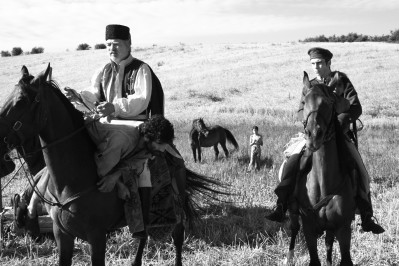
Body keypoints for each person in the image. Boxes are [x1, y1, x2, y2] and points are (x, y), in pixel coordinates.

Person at [21, 24, 179, 238]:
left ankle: (125, 205)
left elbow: (141, 100)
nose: (111, 49)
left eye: (116, 44)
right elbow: (94, 94)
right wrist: (79, 97)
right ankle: (36, 199)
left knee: (122, 148)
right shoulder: (103, 70)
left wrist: (114, 107)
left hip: (133, 125)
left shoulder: (141, 69)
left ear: (128, 44)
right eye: (108, 45)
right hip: (105, 123)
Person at [265, 47, 385, 234]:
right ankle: (281, 205)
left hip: (338, 136)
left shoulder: (341, 81)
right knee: (291, 162)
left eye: (319, 63)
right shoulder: (310, 84)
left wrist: (342, 119)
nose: (316, 67)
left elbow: (356, 107)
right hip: (312, 134)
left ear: (329, 63)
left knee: (361, 172)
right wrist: (308, 120)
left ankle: (366, 216)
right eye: (313, 64)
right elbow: (299, 110)